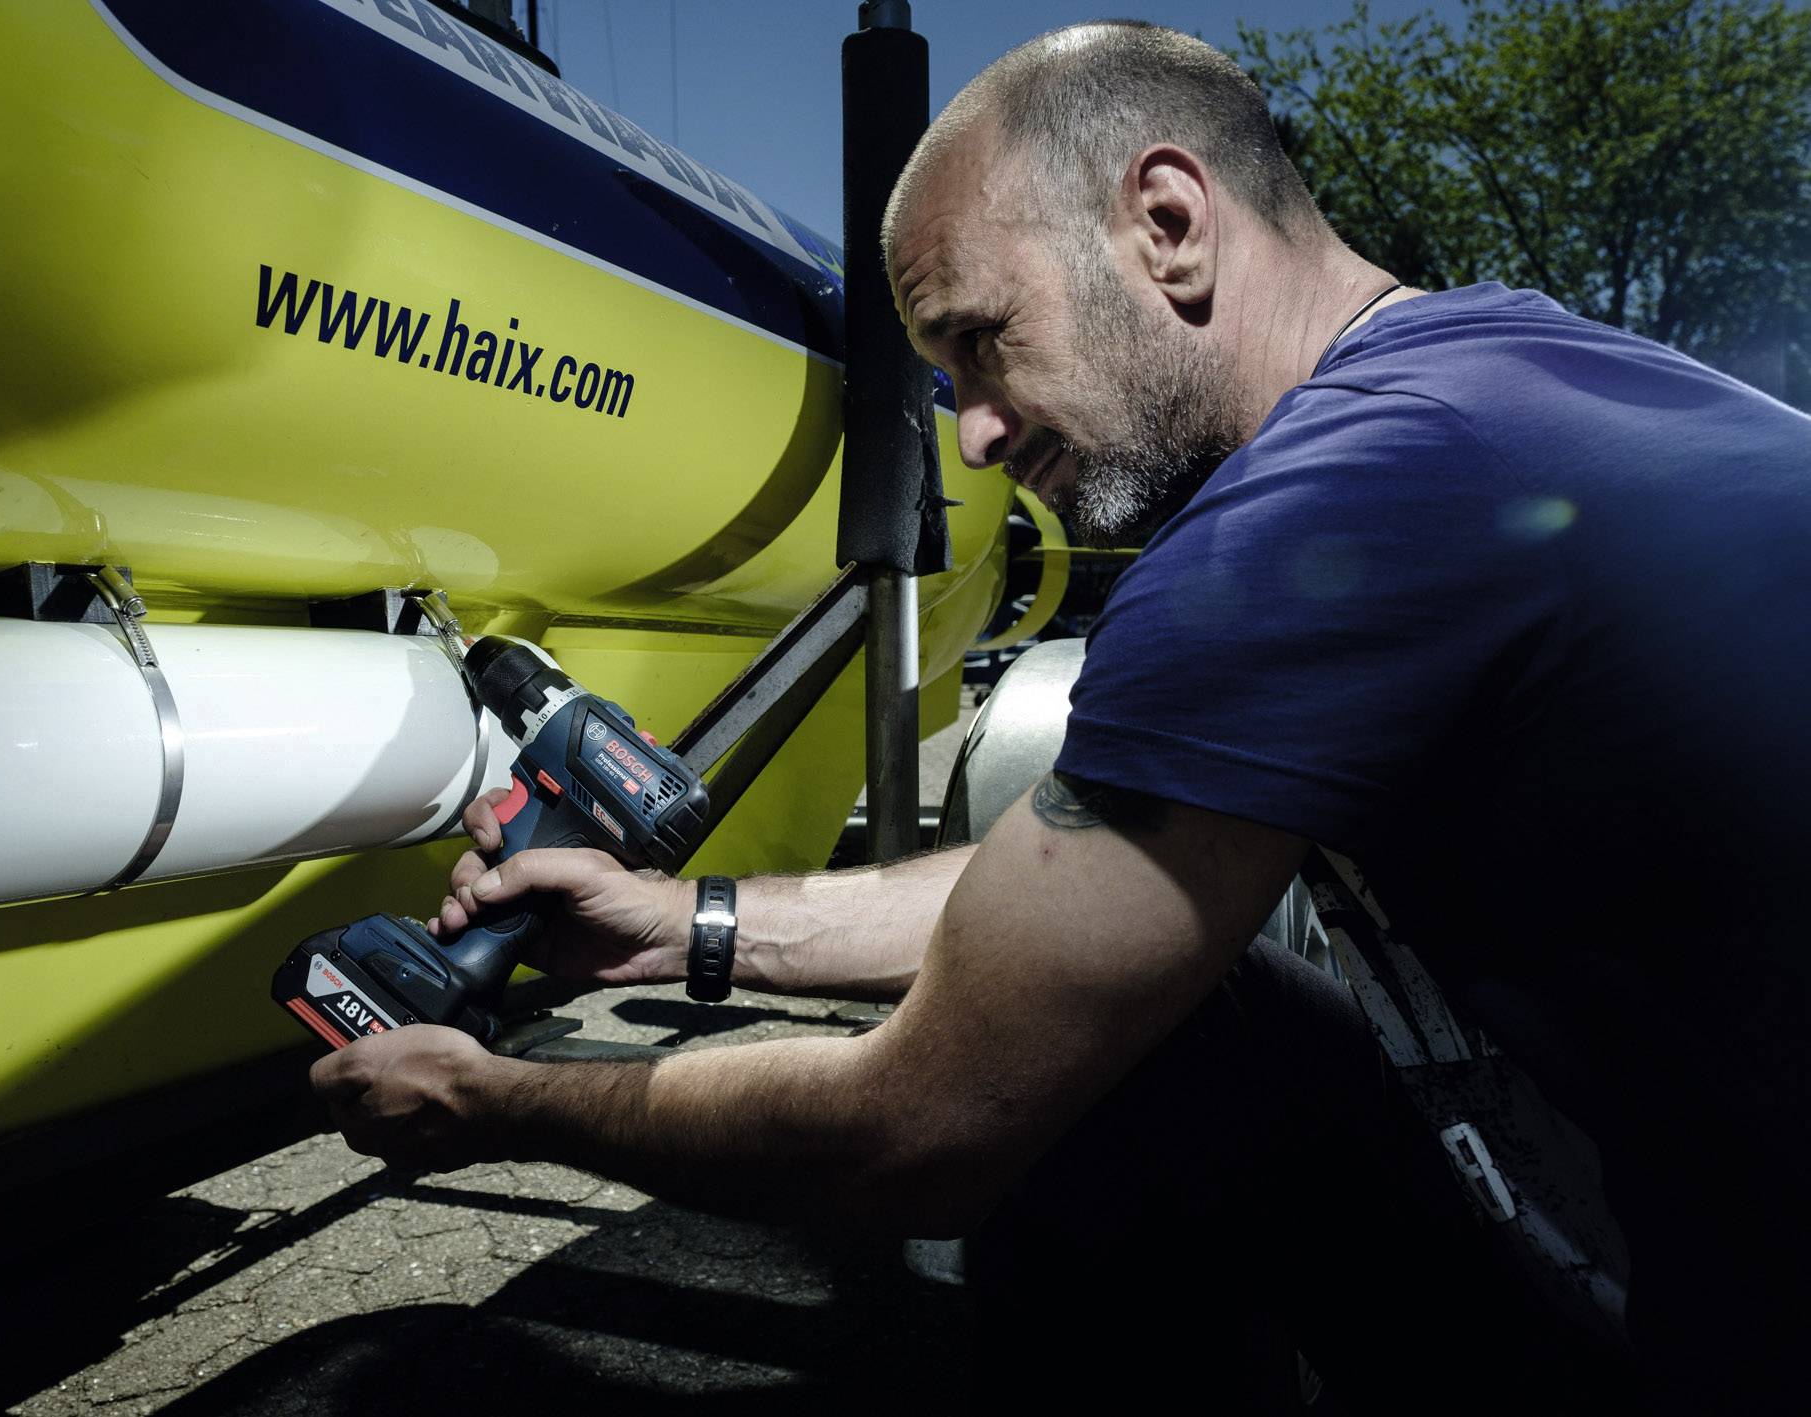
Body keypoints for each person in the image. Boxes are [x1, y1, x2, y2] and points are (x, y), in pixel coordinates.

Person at [311, 21, 1811, 1411]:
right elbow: (1078, 888)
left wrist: (492, 1095)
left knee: (1072, 1086)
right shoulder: (1501, 375)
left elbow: (923, 1130)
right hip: (1678, 1214)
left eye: (980, 341)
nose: (971, 428)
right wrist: (680, 924)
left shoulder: (1324, 514)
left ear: (1164, 221)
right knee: (1169, 1018)